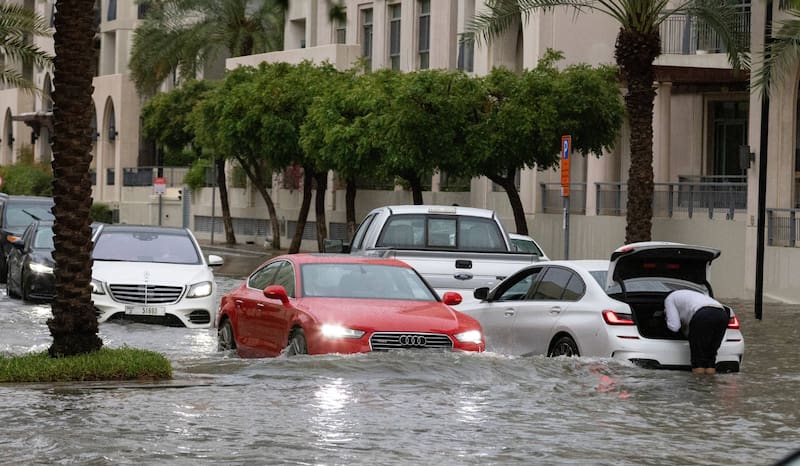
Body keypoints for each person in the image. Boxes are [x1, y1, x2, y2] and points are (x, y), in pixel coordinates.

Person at [663, 289, 730, 375]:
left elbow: (674, 327)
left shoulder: (669, 299)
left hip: (703, 315)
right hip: (722, 314)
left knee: (699, 359)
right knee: (710, 357)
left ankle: (698, 387)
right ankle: (710, 386)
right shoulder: (694, 295)